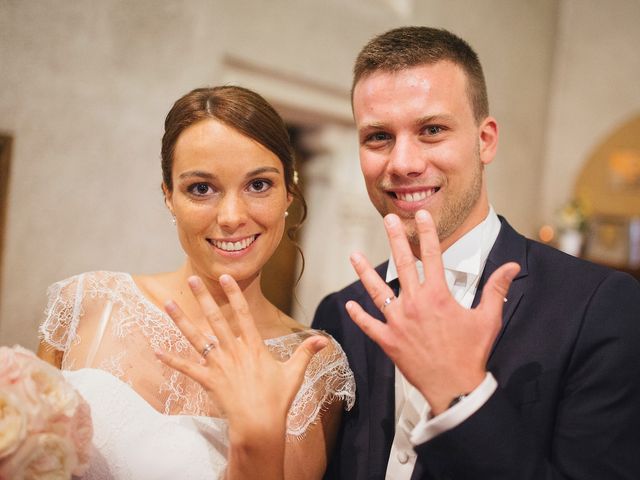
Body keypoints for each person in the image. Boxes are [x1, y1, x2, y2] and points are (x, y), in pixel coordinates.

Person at [312, 26, 640, 479]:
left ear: (485, 140)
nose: (403, 162)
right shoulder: (338, 315)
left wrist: (461, 394)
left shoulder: (598, 306)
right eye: (378, 137)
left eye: (432, 130)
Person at [37, 85, 355, 479]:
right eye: (201, 189)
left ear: (289, 192)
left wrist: (257, 435)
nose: (232, 216)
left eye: (258, 185)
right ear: (169, 196)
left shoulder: (314, 367)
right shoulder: (87, 303)